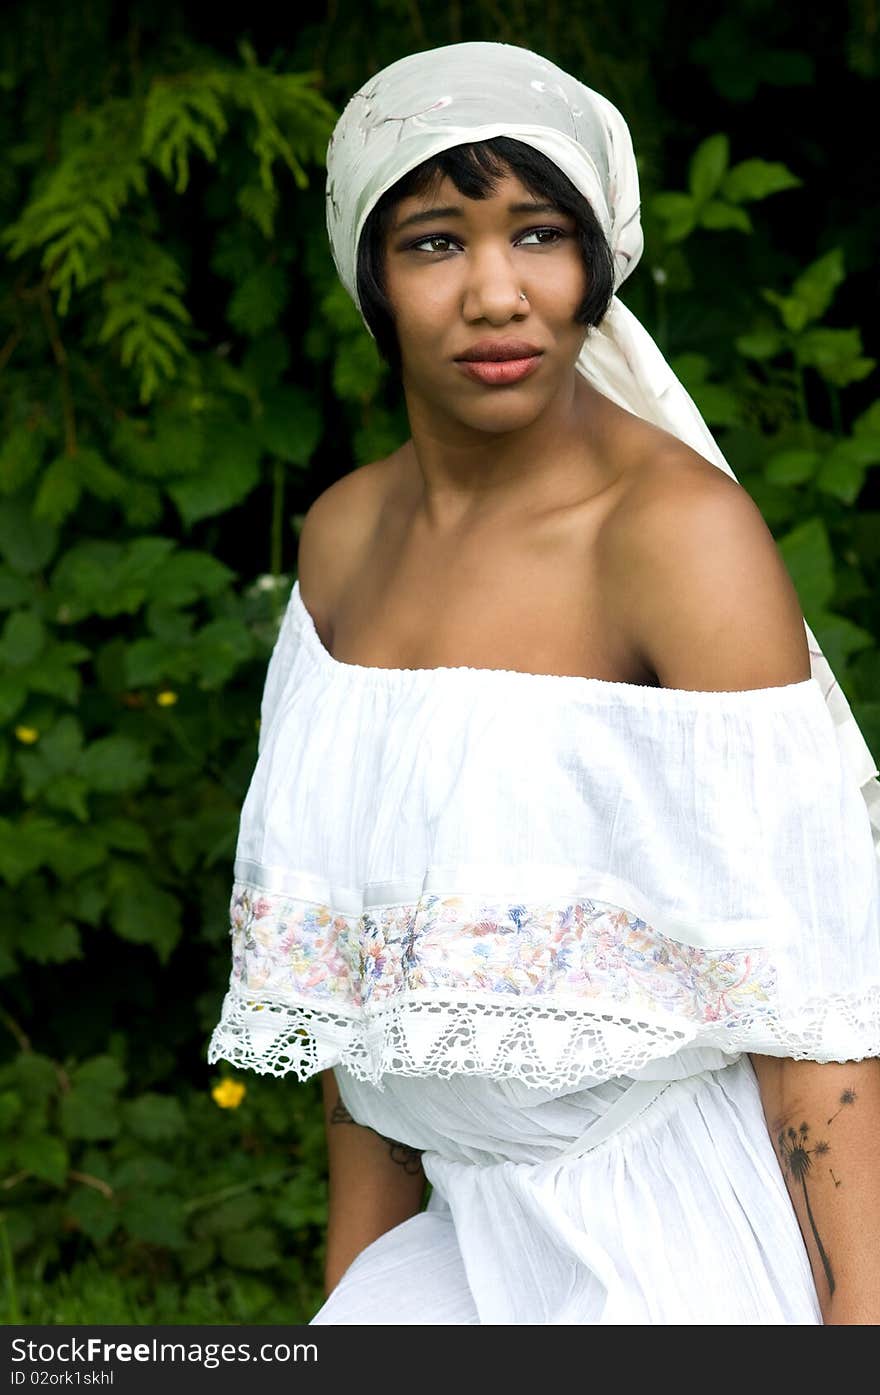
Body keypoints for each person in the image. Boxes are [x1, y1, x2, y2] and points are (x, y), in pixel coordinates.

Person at [208, 41, 880, 1324]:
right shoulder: (343, 538)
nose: (496, 293)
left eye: (537, 234)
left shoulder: (676, 540)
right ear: (370, 276)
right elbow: (361, 982)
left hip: (672, 1238)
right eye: (433, 242)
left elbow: (819, 1010)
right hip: (459, 1237)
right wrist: (354, 1291)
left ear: (594, 269)